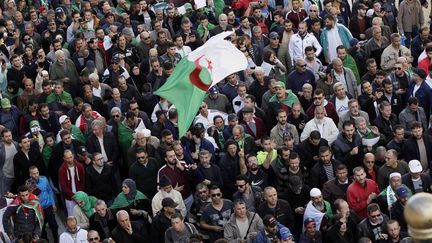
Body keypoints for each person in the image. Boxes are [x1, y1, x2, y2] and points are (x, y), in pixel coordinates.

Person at [27, 166, 58, 242]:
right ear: (30, 174)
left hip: (48, 206)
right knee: (42, 229)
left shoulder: (44, 179)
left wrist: (53, 203)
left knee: (54, 225)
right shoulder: (28, 184)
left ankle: (56, 240)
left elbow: (50, 191)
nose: (36, 175)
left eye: (37, 172)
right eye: (34, 174)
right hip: (39, 210)